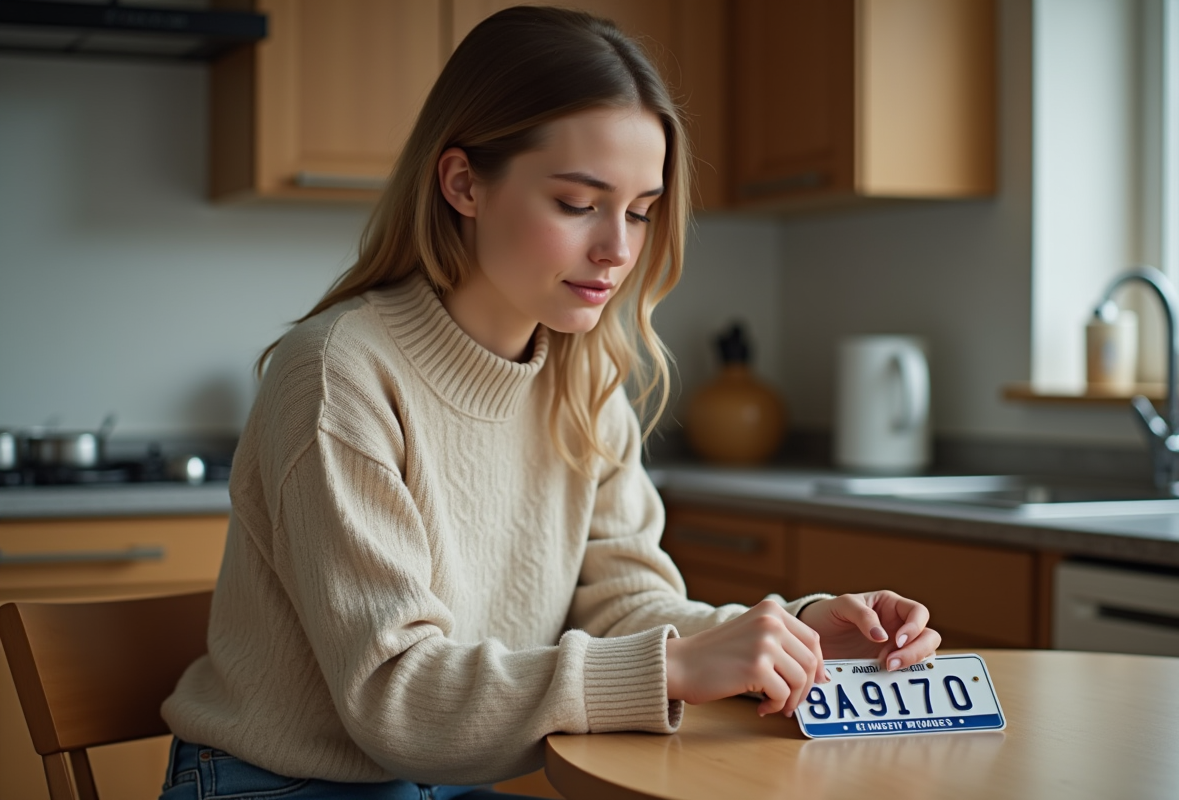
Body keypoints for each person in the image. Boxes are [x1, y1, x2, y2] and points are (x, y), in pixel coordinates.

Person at [159, 6, 941, 799]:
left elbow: (624, 605)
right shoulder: (339, 374)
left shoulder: (584, 381)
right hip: (278, 785)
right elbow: (397, 698)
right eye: (577, 203)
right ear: (463, 183)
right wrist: (672, 666)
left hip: (440, 783)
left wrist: (797, 637)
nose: (618, 250)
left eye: (640, 211)